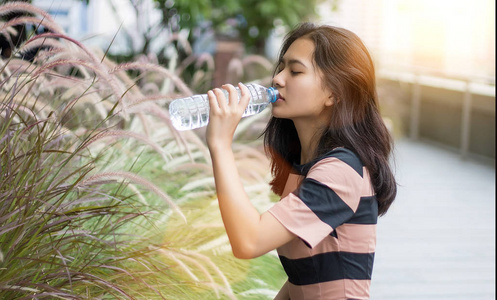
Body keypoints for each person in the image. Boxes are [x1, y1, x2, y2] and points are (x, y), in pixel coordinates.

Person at [205, 22, 397, 300]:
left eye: (295, 71)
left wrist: (221, 145)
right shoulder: (305, 167)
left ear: (335, 93)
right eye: (281, 67)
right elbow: (304, 279)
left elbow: (249, 241)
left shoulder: (340, 173)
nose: (278, 79)